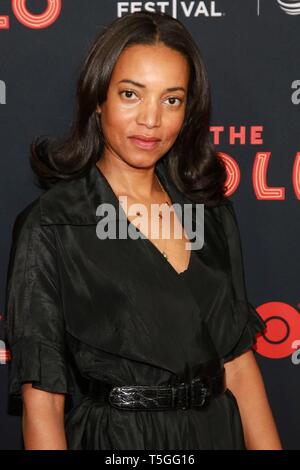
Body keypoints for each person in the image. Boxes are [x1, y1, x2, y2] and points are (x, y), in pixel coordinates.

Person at [4, 11, 282, 450]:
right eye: (131, 94)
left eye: (172, 99)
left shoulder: (210, 212)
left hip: (215, 434)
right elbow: (44, 403)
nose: (151, 120)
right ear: (98, 98)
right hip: (120, 442)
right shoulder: (53, 224)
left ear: (189, 110)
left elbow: (239, 365)